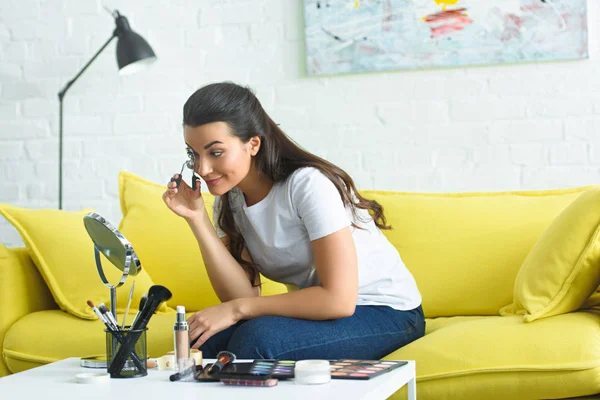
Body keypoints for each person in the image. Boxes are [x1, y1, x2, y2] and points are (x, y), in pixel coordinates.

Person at [162, 81, 425, 361]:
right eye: (194, 154)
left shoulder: (308, 186)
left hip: (388, 313)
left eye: (215, 152)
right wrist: (197, 218)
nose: (202, 169)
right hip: (324, 312)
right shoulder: (231, 199)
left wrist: (237, 310)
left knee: (259, 340)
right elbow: (241, 295)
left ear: (252, 144)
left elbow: (338, 300)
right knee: (204, 341)